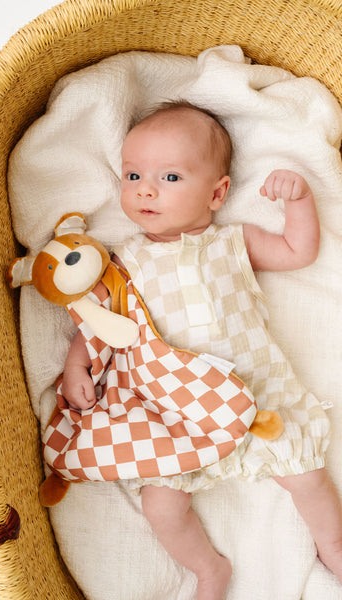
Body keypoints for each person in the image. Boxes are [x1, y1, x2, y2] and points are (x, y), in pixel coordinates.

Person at [61, 102, 342, 599]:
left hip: (260, 394)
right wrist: (76, 365)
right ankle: (209, 569)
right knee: (161, 506)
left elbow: (298, 252)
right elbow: (102, 323)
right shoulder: (125, 262)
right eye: (133, 175)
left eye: (169, 177)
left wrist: (298, 200)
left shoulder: (232, 242)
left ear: (217, 194)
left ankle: (334, 547)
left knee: (308, 479)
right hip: (177, 411)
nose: (145, 189)